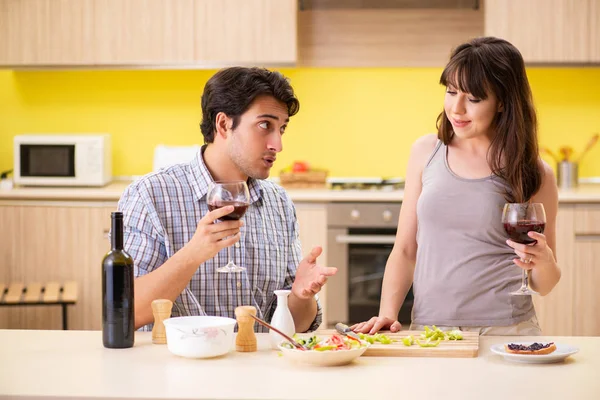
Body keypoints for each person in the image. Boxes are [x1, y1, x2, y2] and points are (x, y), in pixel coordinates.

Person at [352, 37, 561, 336]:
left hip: (506, 329)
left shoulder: (533, 171)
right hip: (430, 328)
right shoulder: (426, 152)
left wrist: (544, 260)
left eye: (474, 98)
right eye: (451, 92)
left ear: (502, 101)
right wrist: (387, 313)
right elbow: (406, 249)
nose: (456, 108)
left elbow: (546, 284)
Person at [118, 67, 337, 332]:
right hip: (175, 369)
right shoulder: (150, 195)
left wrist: (301, 297)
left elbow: (297, 326)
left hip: (257, 368)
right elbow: (125, 311)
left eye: (282, 129)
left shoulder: (278, 203)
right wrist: (192, 255)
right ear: (223, 124)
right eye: (265, 125)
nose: (277, 145)